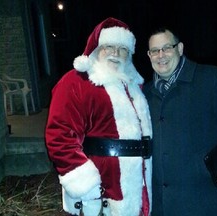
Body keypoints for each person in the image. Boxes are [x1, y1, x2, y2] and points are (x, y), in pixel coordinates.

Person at [45, 17, 153, 216]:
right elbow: (60, 136)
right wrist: (86, 185)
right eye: (109, 46)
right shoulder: (76, 82)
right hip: (102, 189)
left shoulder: (133, 86)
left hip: (138, 186)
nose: (115, 53)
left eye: (122, 48)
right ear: (96, 48)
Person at [143, 28, 217, 216]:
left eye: (167, 48)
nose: (160, 55)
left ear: (180, 48)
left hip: (202, 196)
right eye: (155, 50)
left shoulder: (212, 79)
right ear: (149, 55)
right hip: (160, 201)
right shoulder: (145, 93)